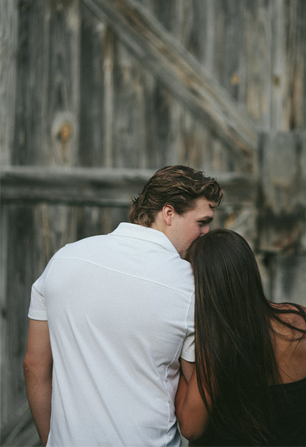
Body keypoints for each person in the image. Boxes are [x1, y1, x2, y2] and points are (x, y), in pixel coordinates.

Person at [23, 165, 223, 446]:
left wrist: (50, 441)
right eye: (202, 222)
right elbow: (198, 393)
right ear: (168, 214)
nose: (207, 232)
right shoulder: (192, 286)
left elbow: (34, 364)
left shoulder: (64, 260)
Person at [175, 229, 306, 446]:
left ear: (204, 287)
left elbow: (191, 428)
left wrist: (183, 357)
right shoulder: (302, 322)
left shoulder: (216, 346)